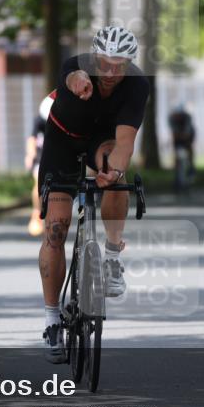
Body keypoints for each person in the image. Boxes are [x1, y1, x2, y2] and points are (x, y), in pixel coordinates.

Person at [38, 26, 150, 363]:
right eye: (105, 63)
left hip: (99, 142)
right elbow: (71, 76)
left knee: (115, 172)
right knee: (56, 227)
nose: (112, 72)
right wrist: (78, 82)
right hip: (63, 142)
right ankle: (52, 319)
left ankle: (113, 259)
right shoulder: (78, 67)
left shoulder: (136, 85)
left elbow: (126, 142)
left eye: (121, 65)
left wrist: (112, 172)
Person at [25, 95, 54, 236]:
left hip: (55, 157)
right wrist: (30, 155)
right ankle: (36, 212)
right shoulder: (39, 121)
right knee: (38, 183)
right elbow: (32, 138)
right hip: (40, 158)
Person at [168, 103, 196, 183]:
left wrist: (184, 139)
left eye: (180, 115)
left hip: (189, 133)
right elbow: (174, 134)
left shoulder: (188, 118)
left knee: (189, 147)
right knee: (176, 151)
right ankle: (177, 169)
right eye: (177, 115)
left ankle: (191, 166)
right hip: (178, 135)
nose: (178, 117)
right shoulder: (171, 118)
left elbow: (187, 134)